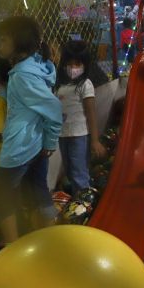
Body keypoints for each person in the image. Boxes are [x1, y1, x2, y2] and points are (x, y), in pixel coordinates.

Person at [0, 16, 63, 243]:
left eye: (3, 40)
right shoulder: (36, 66)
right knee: (37, 189)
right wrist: (2, 92)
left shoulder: (22, 74)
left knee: (1, 196)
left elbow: (52, 107)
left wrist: (51, 142)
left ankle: (11, 246)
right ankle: (48, 240)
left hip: (19, 146)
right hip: (35, 141)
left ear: (19, 42)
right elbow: (28, 102)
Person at [55, 40, 106, 196]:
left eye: (77, 64)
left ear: (84, 64)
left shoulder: (85, 84)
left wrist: (95, 140)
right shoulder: (59, 86)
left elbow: (91, 114)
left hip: (79, 136)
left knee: (78, 172)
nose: (73, 68)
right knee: (71, 171)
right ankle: (82, 197)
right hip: (63, 135)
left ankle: (83, 202)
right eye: (70, 64)